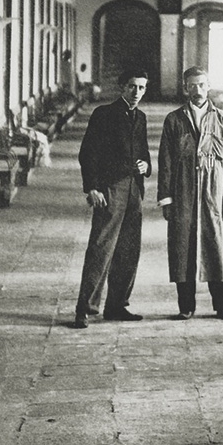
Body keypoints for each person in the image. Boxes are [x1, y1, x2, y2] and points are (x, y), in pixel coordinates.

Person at [69, 68, 151, 328]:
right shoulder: (103, 114)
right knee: (101, 248)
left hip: (134, 190)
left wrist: (146, 166)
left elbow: (144, 152)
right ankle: (85, 308)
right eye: (132, 86)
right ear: (121, 87)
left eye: (141, 87)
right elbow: (88, 153)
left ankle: (117, 305)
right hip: (110, 188)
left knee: (129, 249)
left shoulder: (140, 117)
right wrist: (92, 188)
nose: (136, 92)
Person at [158, 67, 223, 321]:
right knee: (183, 248)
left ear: (209, 86)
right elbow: (165, 162)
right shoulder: (174, 120)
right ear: (185, 88)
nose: (197, 90)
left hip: (214, 194)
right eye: (192, 85)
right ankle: (186, 306)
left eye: (202, 85)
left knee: (217, 248)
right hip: (183, 193)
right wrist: (166, 199)